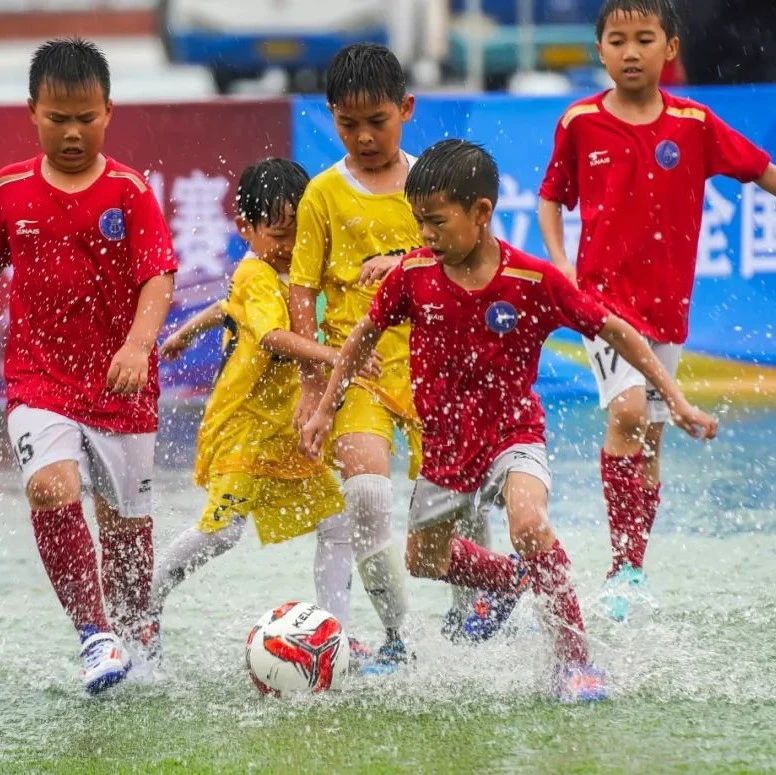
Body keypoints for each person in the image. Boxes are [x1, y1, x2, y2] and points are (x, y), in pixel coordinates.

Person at [300, 139, 718, 702]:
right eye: (418, 221)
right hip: (446, 446)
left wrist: (678, 400)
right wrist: (326, 407)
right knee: (422, 559)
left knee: (528, 524)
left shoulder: (532, 280)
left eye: (436, 222)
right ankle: (513, 579)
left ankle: (575, 663)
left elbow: (616, 330)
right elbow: (360, 338)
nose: (425, 236)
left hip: (512, 434)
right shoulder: (413, 276)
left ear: (481, 213)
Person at [537, 0, 776, 622]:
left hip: (668, 305)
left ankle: (632, 566)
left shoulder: (694, 122)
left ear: (670, 48)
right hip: (601, 299)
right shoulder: (580, 121)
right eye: (618, 40)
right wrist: (561, 263)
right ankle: (621, 565)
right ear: (601, 51)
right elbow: (549, 198)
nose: (631, 51)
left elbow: (760, 171)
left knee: (651, 439)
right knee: (628, 412)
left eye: (645, 39)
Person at [289, 43, 489, 661]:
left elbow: (478, 256)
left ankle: (473, 612)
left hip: (439, 367)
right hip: (361, 370)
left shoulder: (435, 184)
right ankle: (399, 638)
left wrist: (406, 260)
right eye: (348, 125)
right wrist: (309, 382)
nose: (364, 136)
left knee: (466, 501)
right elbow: (301, 287)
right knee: (369, 496)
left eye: (377, 121)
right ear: (330, 117)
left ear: (406, 108)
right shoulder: (322, 193)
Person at [0, 38, 177, 693]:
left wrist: (136, 344)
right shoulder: (9, 191)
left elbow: (158, 275)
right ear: (31, 113)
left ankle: (137, 631)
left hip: (121, 387)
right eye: (57, 117)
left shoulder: (130, 193)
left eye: (85, 117)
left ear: (108, 111)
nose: (71, 131)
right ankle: (94, 634)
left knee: (127, 531)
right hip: (38, 381)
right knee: (50, 487)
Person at [152, 158, 376, 668]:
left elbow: (227, 305)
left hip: (283, 431)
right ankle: (147, 597)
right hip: (245, 429)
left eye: (297, 234)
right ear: (244, 229)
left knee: (337, 523)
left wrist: (191, 330)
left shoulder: (278, 272)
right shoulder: (258, 272)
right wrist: (341, 360)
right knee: (224, 531)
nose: (289, 246)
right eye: (277, 235)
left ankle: (333, 632)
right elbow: (273, 336)